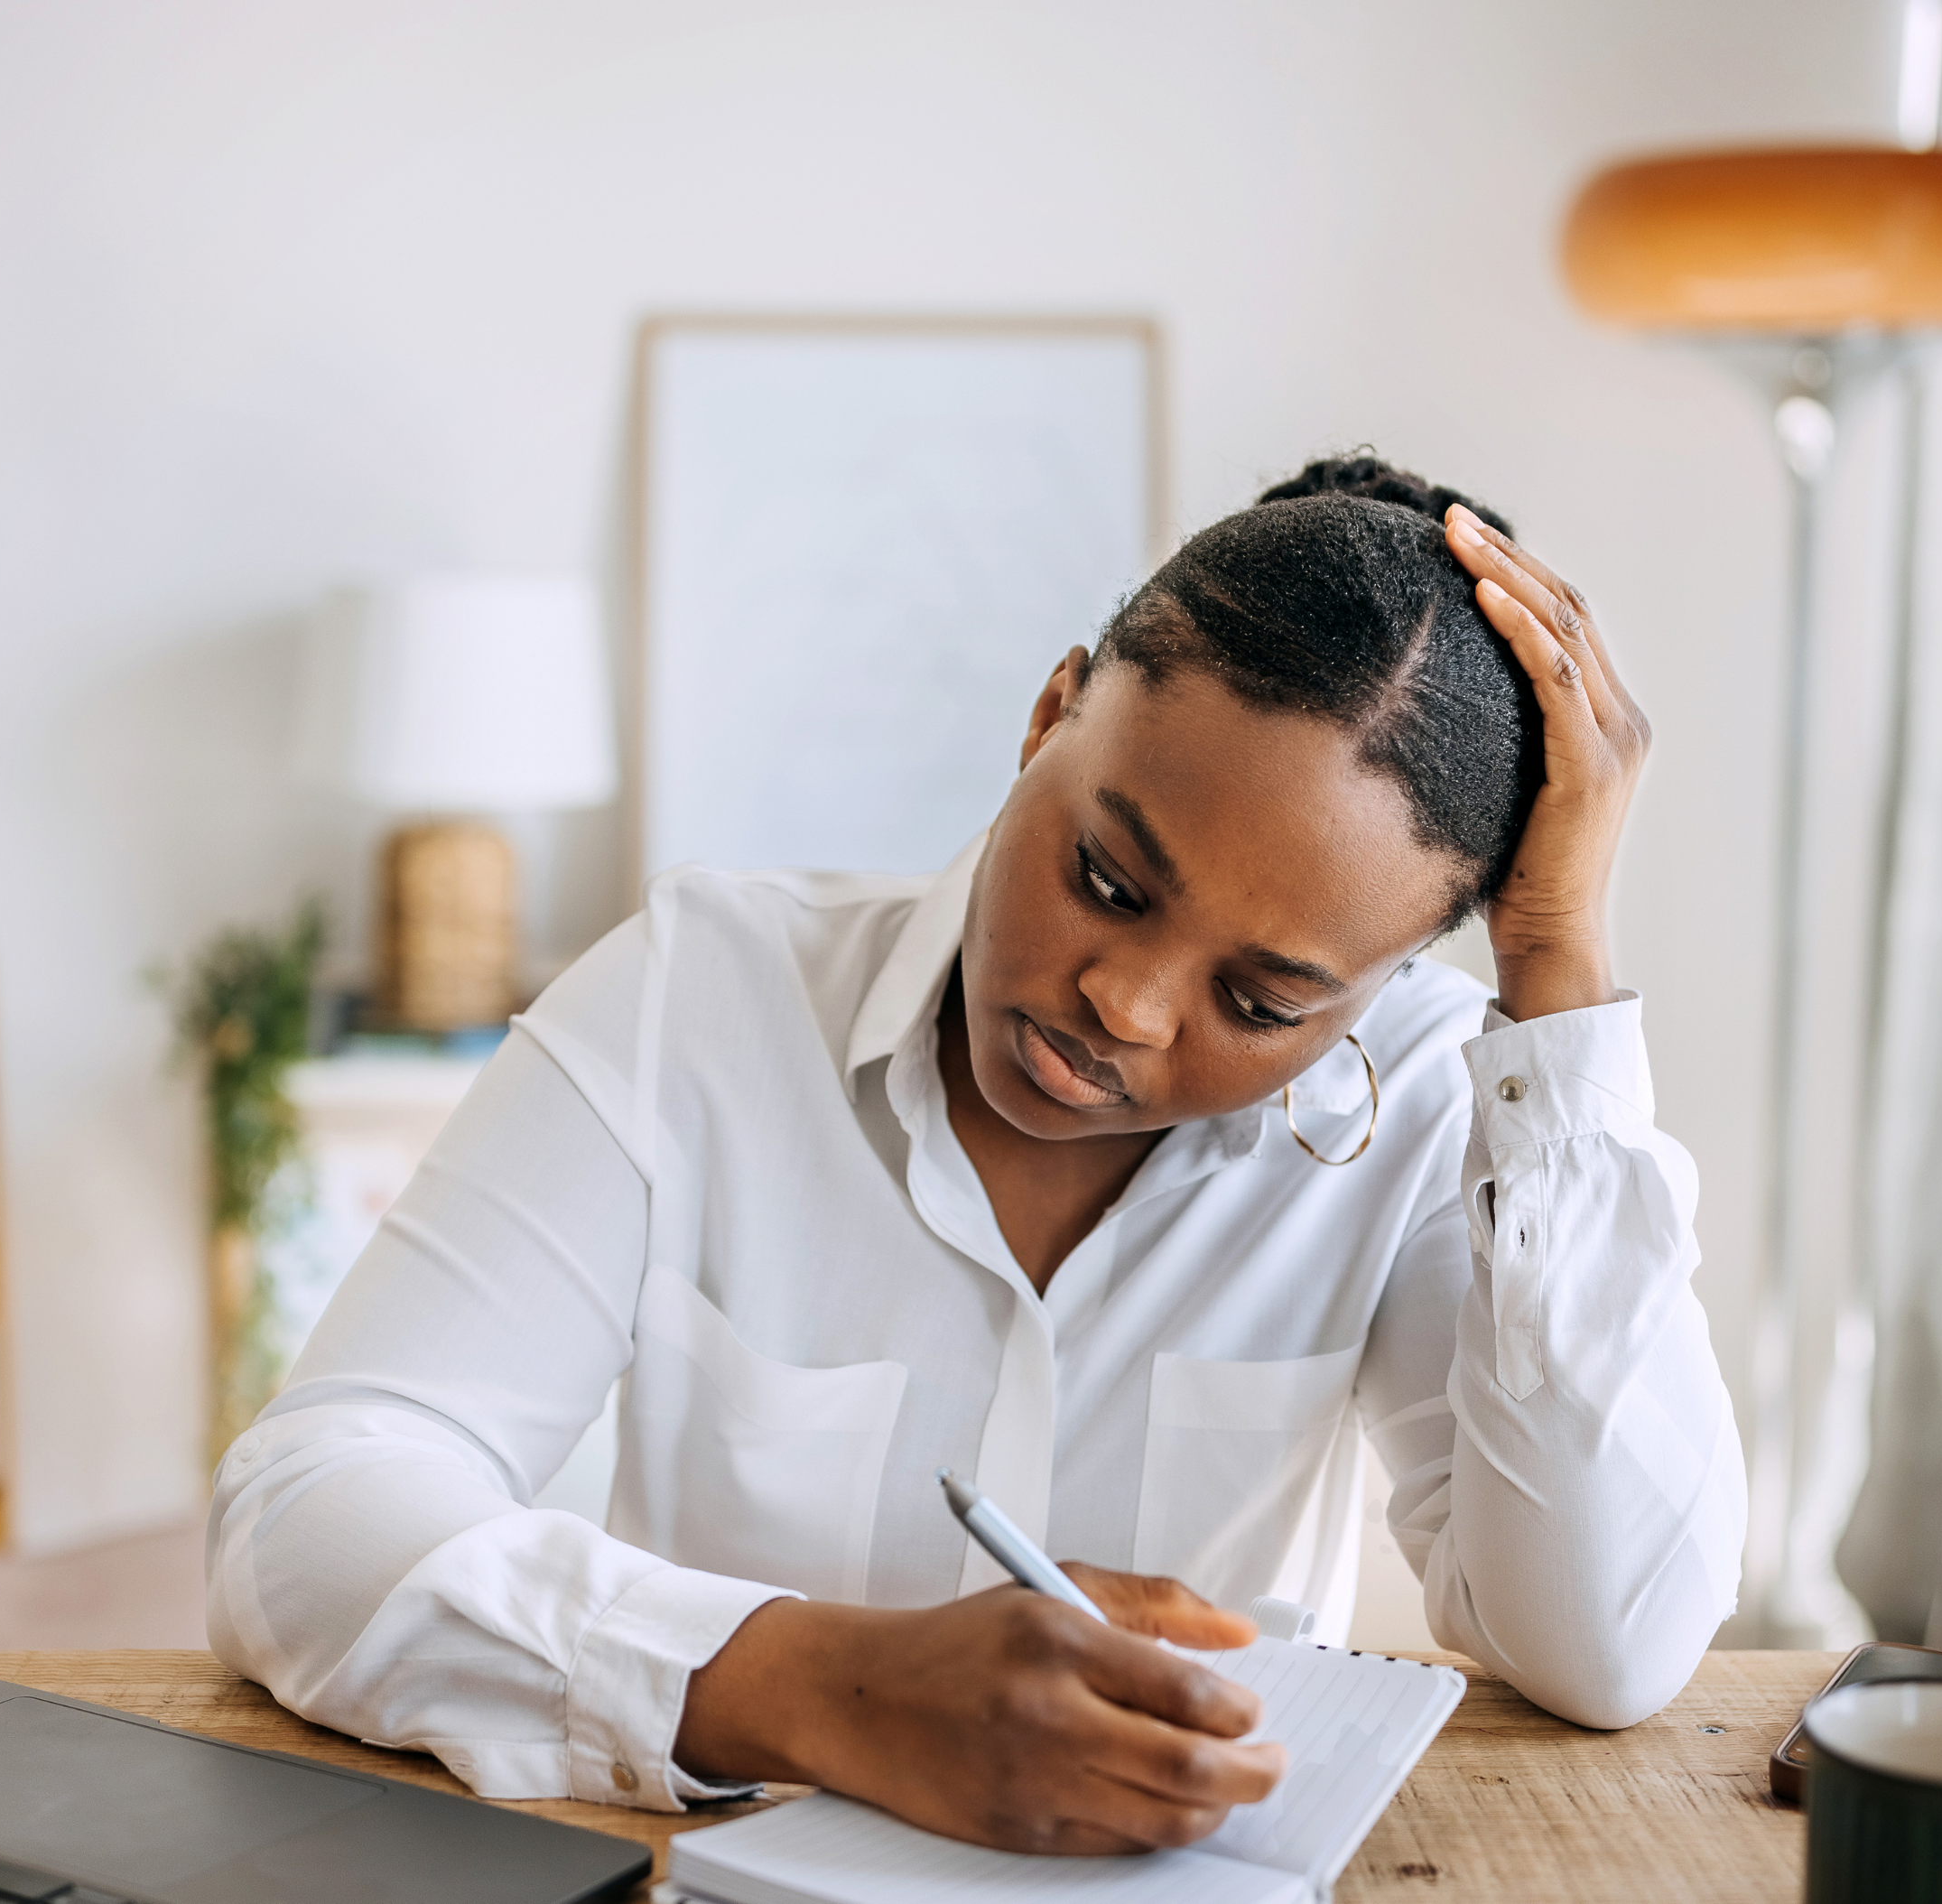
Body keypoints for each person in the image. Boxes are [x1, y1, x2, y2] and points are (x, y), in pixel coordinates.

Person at [206, 457, 1742, 1854]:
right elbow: (303, 1514)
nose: (1124, 1009)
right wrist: (829, 1687)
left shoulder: (1413, 1105)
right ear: (1046, 717)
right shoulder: (705, 994)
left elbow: (1605, 1643)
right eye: (1106, 876)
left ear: (1383, 988)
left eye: (1263, 999)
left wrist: (1558, 975)